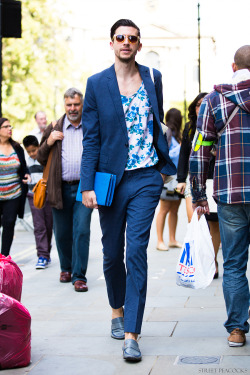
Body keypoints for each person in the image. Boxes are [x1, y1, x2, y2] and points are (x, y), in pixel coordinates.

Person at [80, 19, 176, 362]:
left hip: (146, 179)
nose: (126, 42)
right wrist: (87, 185)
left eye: (132, 38)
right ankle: (116, 310)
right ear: (111, 43)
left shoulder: (153, 77)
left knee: (136, 250)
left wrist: (164, 169)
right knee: (110, 253)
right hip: (110, 180)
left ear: (138, 44)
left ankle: (132, 333)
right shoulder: (96, 84)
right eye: (120, 37)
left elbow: (157, 120)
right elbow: (91, 139)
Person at [189, 45, 250, 347]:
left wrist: (198, 193)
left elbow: (200, 148)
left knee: (235, 263)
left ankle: (237, 329)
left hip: (230, 192)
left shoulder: (214, 101)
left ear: (233, 66)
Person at [37, 88, 92, 292]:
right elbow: (40, 157)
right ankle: (66, 268)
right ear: (64, 106)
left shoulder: (90, 126)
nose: (72, 108)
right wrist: (50, 141)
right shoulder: (54, 127)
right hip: (59, 188)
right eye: (69, 105)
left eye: (76, 104)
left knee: (82, 230)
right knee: (62, 233)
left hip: (84, 188)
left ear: (82, 104)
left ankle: (79, 276)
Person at [176, 93, 220, 278]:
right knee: (194, 220)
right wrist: (180, 179)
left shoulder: (218, 126)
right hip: (192, 179)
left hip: (212, 180)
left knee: (214, 224)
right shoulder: (189, 128)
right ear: (194, 108)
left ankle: (212, 260)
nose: (201, 107)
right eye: (198, 105)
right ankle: (199, 258)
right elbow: (184, 155)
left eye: (204, 104)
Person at [0, 118, 30, 256]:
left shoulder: (17, 148)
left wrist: (27, 175)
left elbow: (24, 167)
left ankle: (4, 258)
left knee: (9, 223)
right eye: (6, 126)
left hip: (14, 193)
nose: (9, 129)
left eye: (10, 126)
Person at [23, 135, 53, 269]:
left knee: (48, 224)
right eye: (29, 151)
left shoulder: (44, 159)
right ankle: (42, 255)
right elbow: (22, 174)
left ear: (39, 147)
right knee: (39, 226)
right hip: (33, 196)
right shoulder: (26, 161)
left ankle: (46, 252)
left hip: (47, 195)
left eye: (34, 150)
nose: (32, 154)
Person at [156, 108, 182, 251]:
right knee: (165, 209)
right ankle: (160, 240)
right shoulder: (168, 132)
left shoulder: (178, 135)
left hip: (177, 179)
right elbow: (164, 154)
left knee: (174, 209)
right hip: (168, 179)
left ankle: (172, 239)